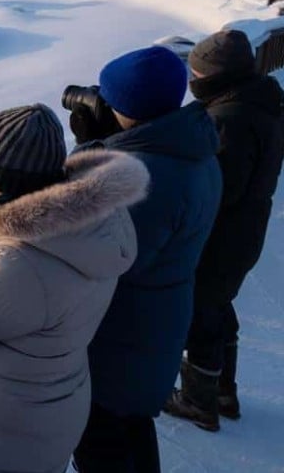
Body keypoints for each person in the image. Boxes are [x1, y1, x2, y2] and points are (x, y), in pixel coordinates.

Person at [0, 104, 145, 473]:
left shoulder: (23, 262)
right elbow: (13, 240)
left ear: (0, 182)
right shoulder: (85, 221)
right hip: (43, 412)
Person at [68, 46, 222, 472]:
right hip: (159, 320)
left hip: (122, 334)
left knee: (103, 441)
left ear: (131, 108)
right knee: (132, 427)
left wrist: (88, 153)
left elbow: (99, 254)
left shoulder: (144, 179)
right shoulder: (193, 151)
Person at [163, 30, 284, 430]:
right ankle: (222, 391)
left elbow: (218, 189)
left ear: (218, 77)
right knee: (216, 304)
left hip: (223, 235)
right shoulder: (257, 101)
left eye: (197, 74)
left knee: (202, 312)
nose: (192, 80)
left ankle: (200, 401)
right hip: (244, 229)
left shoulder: (230, 119)